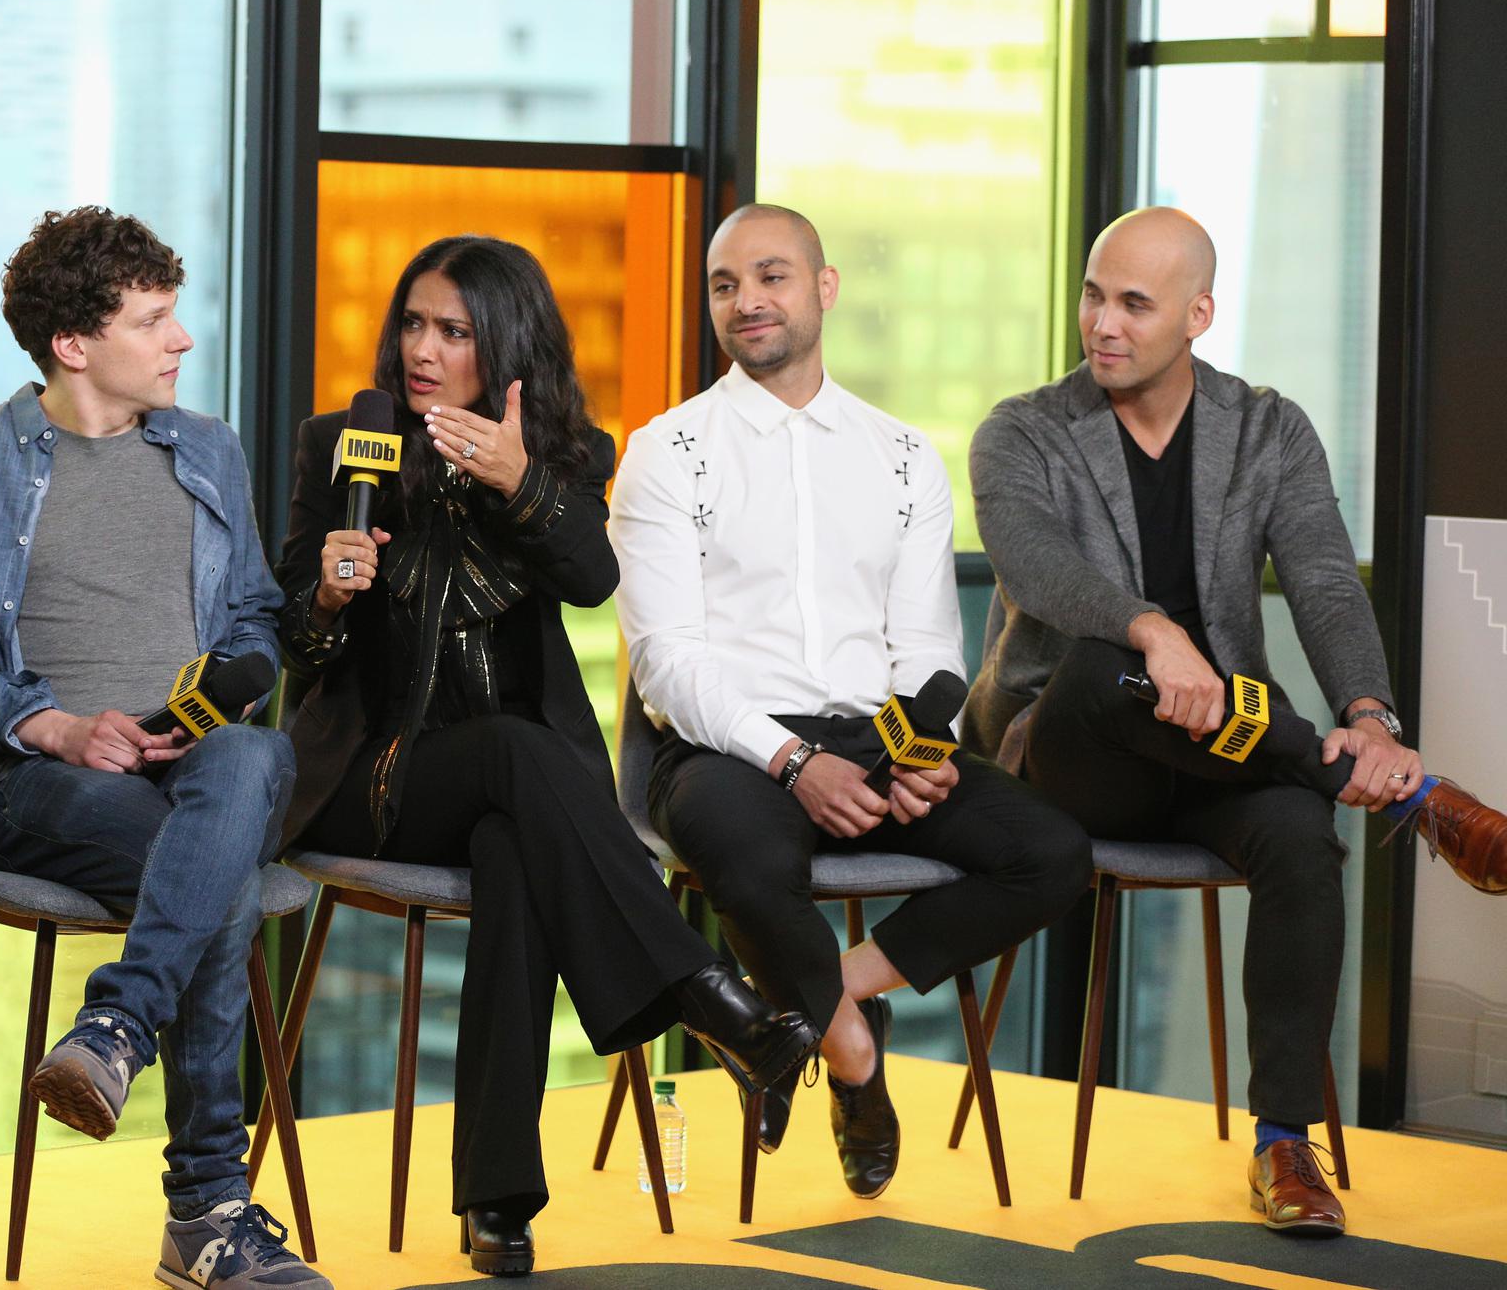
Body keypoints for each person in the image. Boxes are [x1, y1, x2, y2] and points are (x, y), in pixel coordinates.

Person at [278, 234, 822, 1278]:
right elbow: (291, 645)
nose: (423, 349)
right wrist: (329, 596)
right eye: (413, 324)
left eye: (454, 331)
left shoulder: (566, 451)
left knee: (516, 846)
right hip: (363, 781)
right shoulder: (342, 440)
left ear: (505, 348)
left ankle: (496, 1203)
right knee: (523, 763)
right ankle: (715, 1002)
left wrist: (518, 479)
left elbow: (588, 577)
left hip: (504, 789)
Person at [965, 206, 1507, 1237]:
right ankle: (1421, 803)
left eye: (1133, 302)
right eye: (1092, 294)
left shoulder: (1266, 429)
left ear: (1196, 314)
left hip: (1219, 756)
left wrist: (1369, 715)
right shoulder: (1022, 430)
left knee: (1302, 838)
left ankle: (1281, 1148)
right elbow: (1034, 568)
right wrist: (1150, 628)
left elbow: (1321, 585)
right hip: (1068, 751)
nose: (1101, 323)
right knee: (1104, 669)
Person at [609, 203, 1092, 1202]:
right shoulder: (666, 451)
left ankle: (816, 1007)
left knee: (1050, 853)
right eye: (725, 284)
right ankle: (851, 1060)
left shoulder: (902, 455)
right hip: (718, 745)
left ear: (822, 289)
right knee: (744, 857)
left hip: (873, 735)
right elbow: (666, 664)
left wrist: (921, 750)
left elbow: (924, 644)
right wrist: (788, 762)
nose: (748, 301)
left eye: (772, 276)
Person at [0, 206, 323, 1290]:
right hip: (35, 778)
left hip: (195, 765)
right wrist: (52, 726)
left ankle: (115, 1022)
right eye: (153, 320)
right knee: (216, 869)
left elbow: (250, 620)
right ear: (75, 346)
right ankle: (207, 1210)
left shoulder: (207, 451)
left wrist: (209, 700)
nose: (181, 339)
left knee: (248, 762)